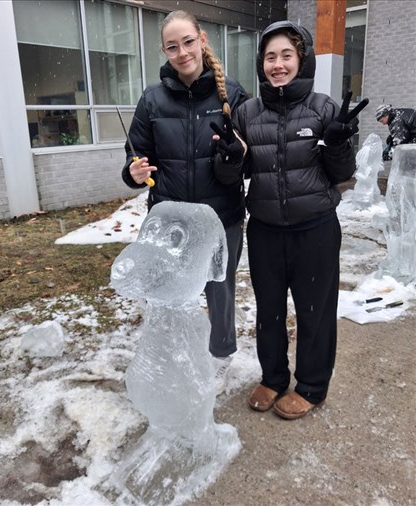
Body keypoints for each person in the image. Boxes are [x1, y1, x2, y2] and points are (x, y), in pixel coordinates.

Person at [225, 22, 363, 419]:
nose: (278, 64)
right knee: (268, 310)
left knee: (314, 311)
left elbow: (340, 173)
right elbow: (236, 173)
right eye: (270, 57)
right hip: (266, 229)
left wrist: (337, 144)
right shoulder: (247, 112)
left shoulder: (322, 108)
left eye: (287, 55)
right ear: (261, 63)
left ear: (301, 60)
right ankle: (272, 378)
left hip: (315, 229)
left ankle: (313, 387)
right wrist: (228, 159)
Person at [120, 10, 249, 393]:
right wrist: (134, 172)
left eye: (188, 42)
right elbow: (133, 158)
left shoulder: (233, 93)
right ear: (164, 51)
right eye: (172, 46)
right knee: (167, 294)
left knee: (219, 290)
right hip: (171, 221)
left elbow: (245, 158)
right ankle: (171, 354)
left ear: (202, 40)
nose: (182, 52)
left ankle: (221, 355)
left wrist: (233, 157)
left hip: (221, 215)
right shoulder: (153, 100)